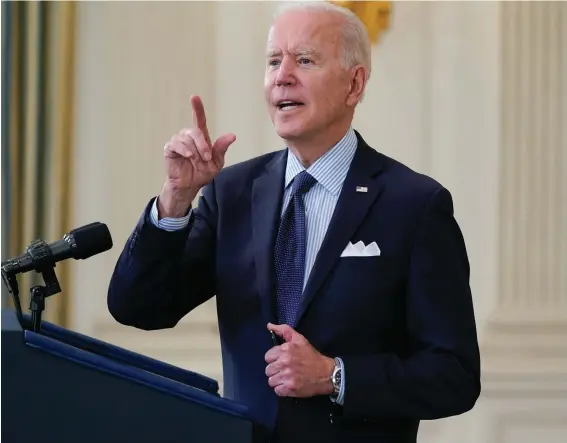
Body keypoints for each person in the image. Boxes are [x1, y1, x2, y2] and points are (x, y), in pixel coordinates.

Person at [107, 2, 481, 442]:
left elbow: (453, 375)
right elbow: (139, 308)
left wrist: (334, 376)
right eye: (272, 61)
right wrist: (175, 199)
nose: (283, 75)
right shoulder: (233, 193)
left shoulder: (415, 205)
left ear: (354, 84)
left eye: (304, 60)